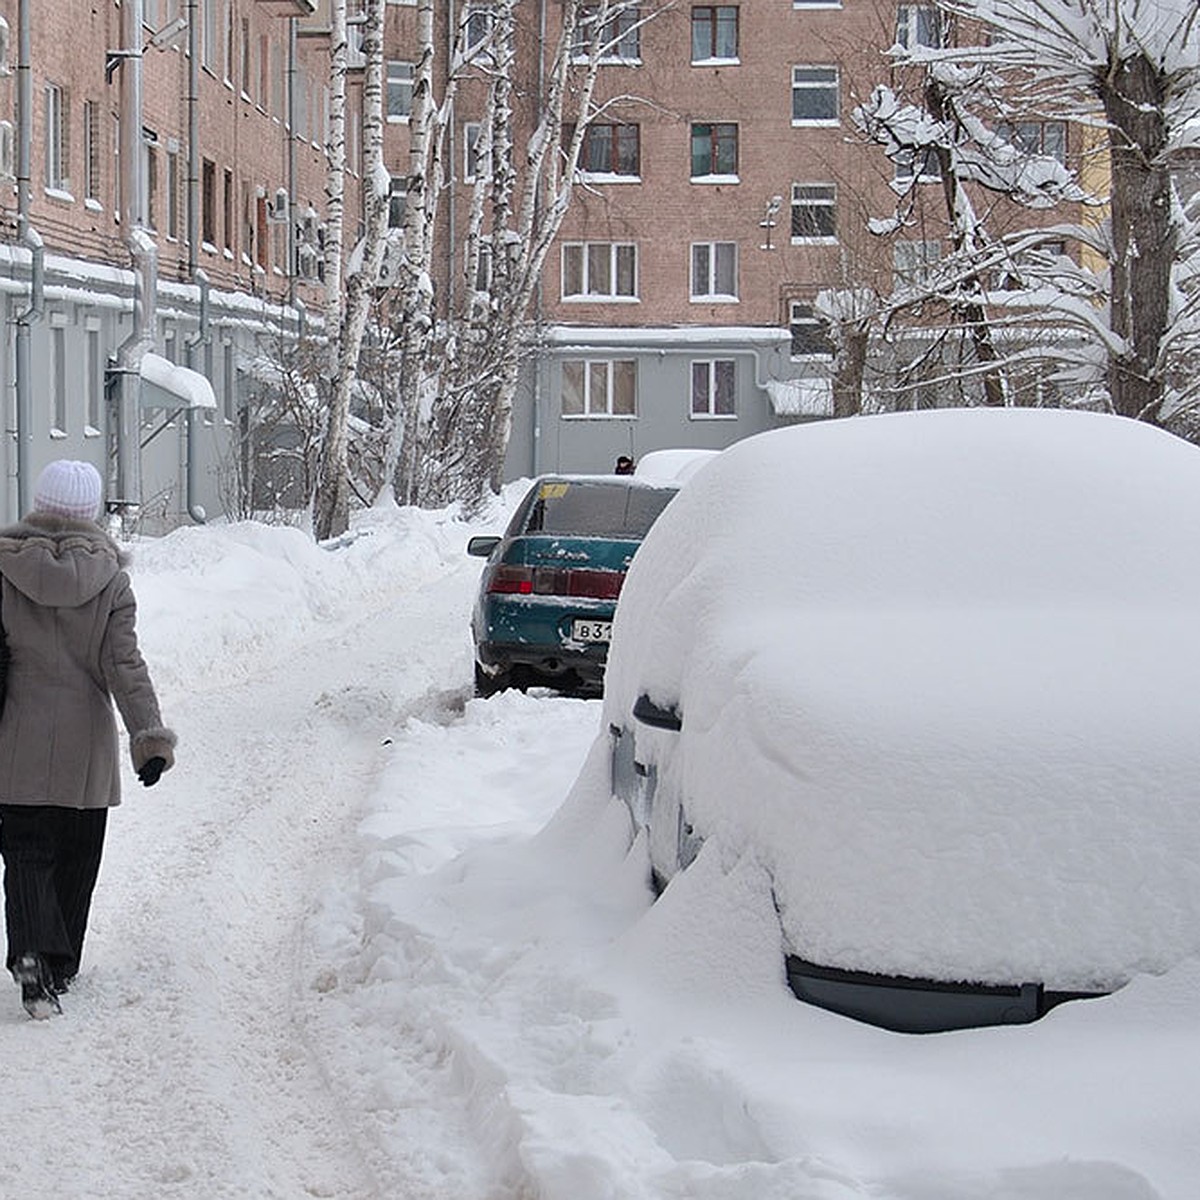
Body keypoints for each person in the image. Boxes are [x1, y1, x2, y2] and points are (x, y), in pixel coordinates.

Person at [0, 460, 175, 1019]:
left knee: (25, 854)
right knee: (77, 858)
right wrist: (149, 738)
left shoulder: (2, 570)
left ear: (38, 505)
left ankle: (30, 952)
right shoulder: (111, 582)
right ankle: (60, 962)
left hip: (14, 743)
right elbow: (125, 666)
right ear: (92, 512)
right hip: (84, 750)